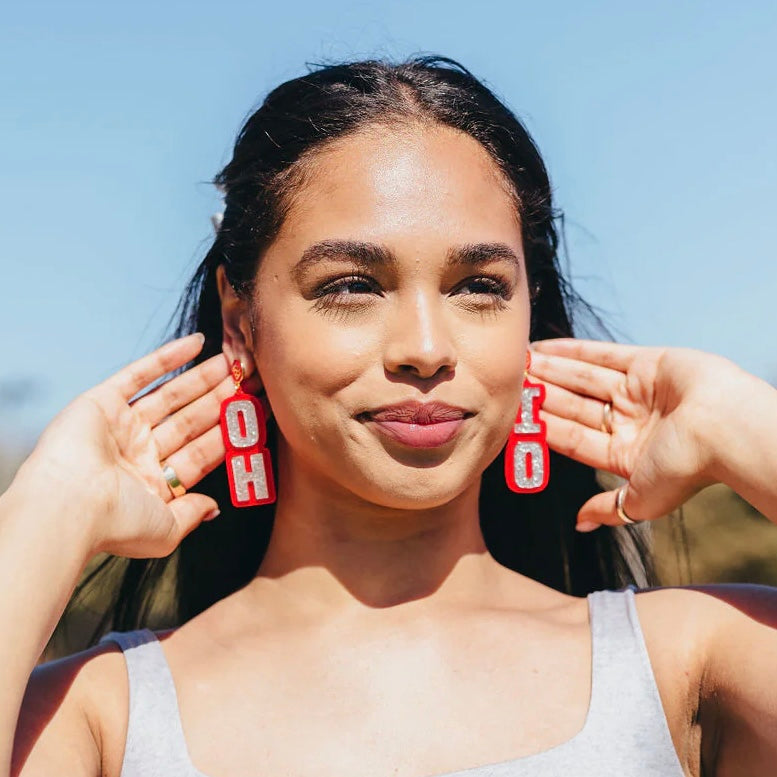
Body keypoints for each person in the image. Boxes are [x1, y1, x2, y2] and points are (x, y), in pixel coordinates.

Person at [2, 55, 776, 777]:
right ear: (240, 320)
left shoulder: (691, 662)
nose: (426, 348)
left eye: (478, 285)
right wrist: (51, 507)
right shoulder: (98, 716)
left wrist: (744, 428)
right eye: (351, 286)